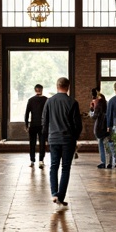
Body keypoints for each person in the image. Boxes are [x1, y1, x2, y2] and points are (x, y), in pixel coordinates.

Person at [41, 77, 82, 206]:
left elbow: (44, 121)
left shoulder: (49, 101)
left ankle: (54, 193)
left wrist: (47, 137)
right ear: (68, 87)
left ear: (56, 86)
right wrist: (74, 137)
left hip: (53, 138)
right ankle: (61, 196)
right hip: (68, 139)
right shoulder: (72, 102)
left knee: (53, 166)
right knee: (65, 168)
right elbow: (77, 124)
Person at [24, 84, 48, 169]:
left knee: (32, 143)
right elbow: (48, 114)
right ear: (42, 89)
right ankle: (41, 161)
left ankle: (32, 160)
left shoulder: (31, 100)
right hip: (42, 125)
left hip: (33, 125)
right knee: (42, 143)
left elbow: (27, 113)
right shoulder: (46, 100)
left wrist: (26, 124)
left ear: (35, 90)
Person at [91, 88, 110, 169]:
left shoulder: (98, 104)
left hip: (99, 127)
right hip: (107, 126)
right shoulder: (107, 104)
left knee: (101, 144)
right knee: (108, 144)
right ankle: (110, 162)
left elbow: (94, 116)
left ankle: (103, 162)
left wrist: (91, 111)